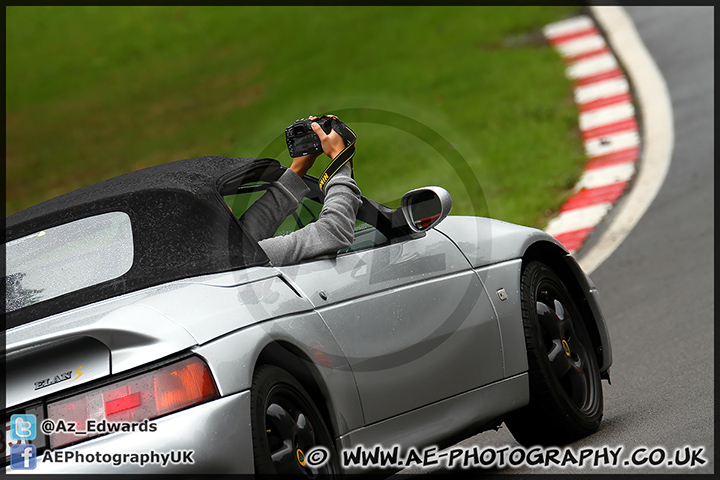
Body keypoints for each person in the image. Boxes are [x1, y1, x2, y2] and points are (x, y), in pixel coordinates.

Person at [238, 115, 362, 266]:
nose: (227, 207)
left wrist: (298, 169)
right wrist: (339, 159)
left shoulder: (218, 251)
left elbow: (247, 232)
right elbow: (333, 232)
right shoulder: (249, 257)